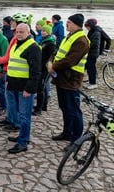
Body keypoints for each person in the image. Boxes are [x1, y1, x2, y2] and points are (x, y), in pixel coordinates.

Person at [48, 13, 90, 152]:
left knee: (74, 110)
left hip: (72, 79)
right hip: (62, 78)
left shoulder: (81, 40)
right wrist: (50, 60)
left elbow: (71, 60)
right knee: (64, 107)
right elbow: (58, 51)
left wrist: (53, 66)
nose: (67, 24)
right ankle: (67, 132)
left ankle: (75, 140)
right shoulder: (69, 36)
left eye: (69, 22)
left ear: (76, 24)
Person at [6, 23, 41, 154]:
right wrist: (8, 81)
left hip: (24, 88)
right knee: (18, 114)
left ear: (28, 32)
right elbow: (12, 64)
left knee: (24, 116)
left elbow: (36, 71)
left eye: (21, 32)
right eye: (17, 32)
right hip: (13, 85)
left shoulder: (33, 48)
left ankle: (23, 142)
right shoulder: (16, 44)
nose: (19, 34)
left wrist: (30, 89)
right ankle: (21, 135)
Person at [0, 12, 27, 132]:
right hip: (10, 71)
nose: (11, 24)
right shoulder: (15, 37)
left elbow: (8, 56)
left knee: (13, 100)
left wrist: (0, 60)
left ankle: (15, 122)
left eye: (13, 22)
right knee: (10, 98)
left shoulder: (16, 38)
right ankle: (10, 118)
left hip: (14, 73)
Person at [33, 23, 56, 116]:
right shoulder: (44, 41)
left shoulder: (50, 43)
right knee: (43, 88)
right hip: (41, 67)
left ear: (49, 32)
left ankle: (39, 109)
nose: (42, 32)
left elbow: (50, 58)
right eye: (42, 31)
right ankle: (43, 105)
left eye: (44, 31)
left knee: (40, 88)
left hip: (45, 68)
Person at [83, 19, 101, 89]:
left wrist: (87, 45)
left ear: (91, 25)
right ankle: (91, 81)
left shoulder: (96, 33)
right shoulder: (92, 31)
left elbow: (95, 44)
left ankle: (93, 83)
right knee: (89, 67)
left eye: (87, 26)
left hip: (93, 53)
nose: (87, 28)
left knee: (91, 68)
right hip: (90, 52)